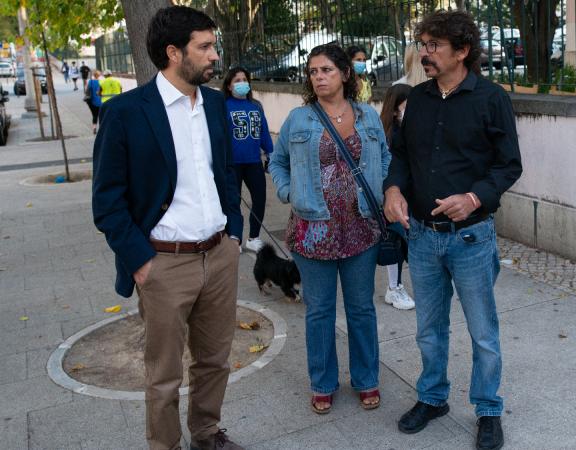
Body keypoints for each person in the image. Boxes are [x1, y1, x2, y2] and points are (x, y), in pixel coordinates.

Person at [92, 6, 244, 450]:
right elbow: (106, 201)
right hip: (162, 263)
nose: (215, 55)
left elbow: (226, 174)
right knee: (163, 375)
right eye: (206, 47)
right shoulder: (126, 112)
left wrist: (233, 232)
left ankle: (206, 433)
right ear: (174, 52)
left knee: (215, 361)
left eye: (213, 45)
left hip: (219, 255)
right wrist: (141, 261)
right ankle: (166, 445)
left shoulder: (216, 104)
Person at [383, 10, 522, 450]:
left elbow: (509, 166)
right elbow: (401, 155)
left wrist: (475, 198)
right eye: (422, 44)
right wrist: (392, 189)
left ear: (461, 51)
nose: (424, 53)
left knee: (483, 330)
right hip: (421, 236)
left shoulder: (491, 98)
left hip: (471, 238)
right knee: (429, 327)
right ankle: (432, 397)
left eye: (433, 46)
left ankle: (487, 409)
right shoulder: (418, 98)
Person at [269, 43, 390, 415]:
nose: (319, 77)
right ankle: (323, 382)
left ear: (345, 74)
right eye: (313, 71)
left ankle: (366, 379)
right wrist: (290, 191)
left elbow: (384, 156)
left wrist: (379, 188)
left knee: (361, 309)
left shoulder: (368, 116)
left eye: (326, 70)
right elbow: (278, 161)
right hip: (312, 230)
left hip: (361, 230)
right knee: (319, 311)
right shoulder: (299, 118)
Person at [222, 66, 273, 252]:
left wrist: (270, 152)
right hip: (232, 164)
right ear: (228, 86)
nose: (242, 83)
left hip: (253, 162)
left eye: (245, 79)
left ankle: (254, 237)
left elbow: (264, 132)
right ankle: (234, 236)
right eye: (237, 80)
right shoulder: (223, 106)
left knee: (259, 199)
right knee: (232, 201)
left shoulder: (255, 106)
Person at [378, 83, 415, 310]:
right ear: (394, 109)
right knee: (396, 242)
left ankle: (397, 286)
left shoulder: (411, 130)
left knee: (404, 242)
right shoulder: (391, 135)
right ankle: (394, 287)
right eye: (407, 106)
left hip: (411, 195)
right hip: (395, 196)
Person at [85, 70, 102, 134]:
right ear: (99, 75)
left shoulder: (91, 82)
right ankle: (101, 128)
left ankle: (94, 128)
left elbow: (87, 90)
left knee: (94, 115)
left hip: (92, 102)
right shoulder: (101, 82)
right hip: (100, 101)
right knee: (101, 115)